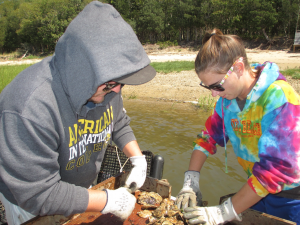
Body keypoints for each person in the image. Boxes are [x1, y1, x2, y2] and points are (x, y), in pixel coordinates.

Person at [0, 1, 156, 224]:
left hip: (84, 192)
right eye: (112, 83)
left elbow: (118, 123)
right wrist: (107, 200)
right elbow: (37, 194)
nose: (118, 90)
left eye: (121, 83)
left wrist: (138, 159)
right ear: (83, 72)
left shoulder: (107, 86)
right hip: (32, 206)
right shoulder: (28, 107)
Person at [175, 28, 300, 225]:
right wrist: (191, 182)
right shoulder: (227, 102)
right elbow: (207, 139)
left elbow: (276, 169)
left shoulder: (279, 98)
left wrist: (224, 212)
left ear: (239, 67)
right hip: (258, 189)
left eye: (217, 86)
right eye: (208, 87)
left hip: (292, 196)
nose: (214, 94)